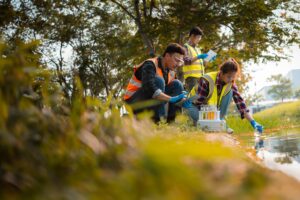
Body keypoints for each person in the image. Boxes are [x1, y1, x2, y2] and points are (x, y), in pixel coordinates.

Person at [184, 58, 263, 133]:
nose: (231, 79)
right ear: (221, 73)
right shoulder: (207, 80)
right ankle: (218, 125)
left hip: (211, 112)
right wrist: (211, 117)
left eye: (233, 77)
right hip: (192, 106)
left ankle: (219, 123)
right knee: (206, 125)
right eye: (229, 76)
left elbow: (241, 104)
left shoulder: (230, 84)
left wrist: (253, 122)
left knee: (230, 92)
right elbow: (198, 103)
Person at [124, 43, 190, 123]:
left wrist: (183, 99)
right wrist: (171, 99)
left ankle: (173, 124)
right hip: (134, 102)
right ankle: (158, 123)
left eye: (180, 62)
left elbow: (178, 91)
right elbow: (149, 88)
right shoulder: (150, 64)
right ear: (167, 56)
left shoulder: (171, 71)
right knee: (159, 81)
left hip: (151, 100)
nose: (177, 65)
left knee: (178, 84)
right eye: (176, 60)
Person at [183, 26, 209, 92]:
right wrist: (198, 57)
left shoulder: (198, 49)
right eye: (198, 37)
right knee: (193, 98)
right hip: (191, 78)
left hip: (201, 78)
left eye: (200, 38)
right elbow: (186, 62)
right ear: (192, 36)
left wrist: (208, 59)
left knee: (200, 99)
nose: (199, 40)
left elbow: (203, 64)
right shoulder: (185, 47)